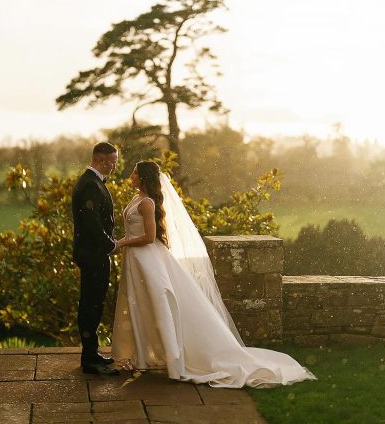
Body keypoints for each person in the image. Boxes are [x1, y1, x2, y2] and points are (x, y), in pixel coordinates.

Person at [111, 160, 316, 388]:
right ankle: (146, 356)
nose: (131, 176)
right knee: (142, 304)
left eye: (135, 173)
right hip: (136, 259)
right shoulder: (136, 198)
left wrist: (121, 243)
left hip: (148, 258)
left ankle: (174, 359)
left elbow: (150, 237)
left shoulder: (148, 202)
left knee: (159, 303)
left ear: (144, 177)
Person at [72, 142, 120, 376]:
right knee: (91, 304)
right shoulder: (90, 184)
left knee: (94, 303)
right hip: (92, 255)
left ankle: (91, 353)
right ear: (101, 160)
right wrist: (110, 245)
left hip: (94, 254)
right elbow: (92, 224)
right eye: (113, 162)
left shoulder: (93, 182)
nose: (114, 167)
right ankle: (89, 360)